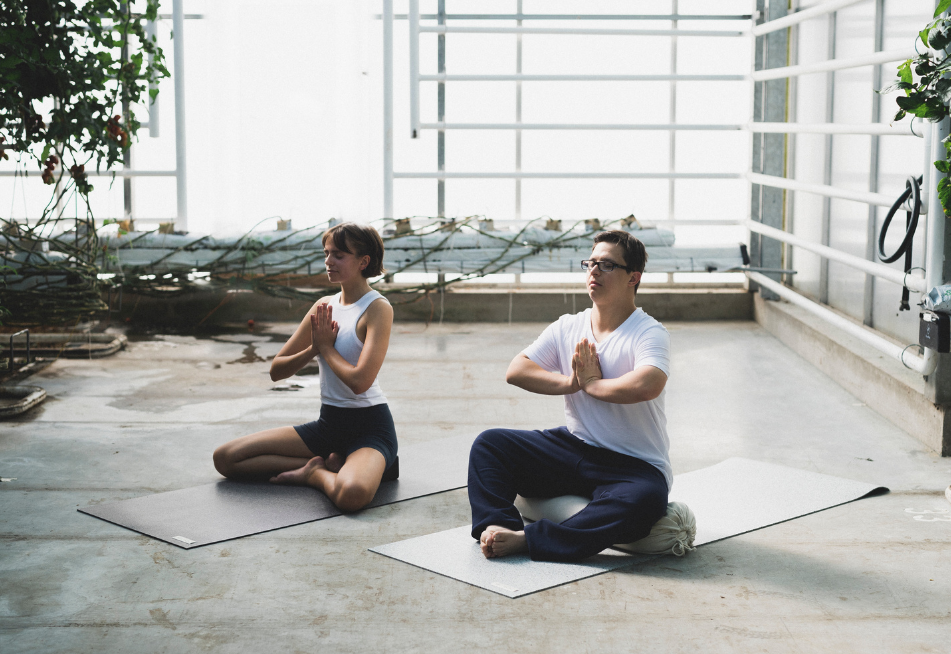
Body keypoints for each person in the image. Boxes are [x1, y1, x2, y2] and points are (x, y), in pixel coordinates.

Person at [468, 230, 672, 562]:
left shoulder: (649, 331)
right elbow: (516, 370)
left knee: (646, 502)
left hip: (634, 466)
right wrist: (571, 383)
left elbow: (648, 383)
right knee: (490, 445)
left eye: (606, 265)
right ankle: (495, 526)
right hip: (574, 447)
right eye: (591, 263)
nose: (594, 271)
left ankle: (528, 540)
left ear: (633, 277)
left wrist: (592, 385)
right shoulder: (568, 326)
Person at [213, 222, 398, 512]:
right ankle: (336, 463)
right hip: (329, 425)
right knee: (226, 458)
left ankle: (316, 473)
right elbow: (277, 370)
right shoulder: (323, 306)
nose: (328, 261)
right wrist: (313, 348)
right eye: (326, 253)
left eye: (338, 255)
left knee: (352, 495)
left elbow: (360, 382)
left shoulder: (377, 308)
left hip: (370, 428)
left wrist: (326, 348)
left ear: (364, 261)